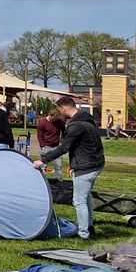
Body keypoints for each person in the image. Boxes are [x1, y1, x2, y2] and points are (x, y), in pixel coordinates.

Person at [34, 96, 106, 239]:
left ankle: (83, 234)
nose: (60, 114)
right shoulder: (87, 120)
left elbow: (64, 148)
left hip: (86, 167)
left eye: (60, 110)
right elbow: (85, 146)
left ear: (64, 108)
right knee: (85, 197)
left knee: (79, 201)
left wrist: (43, 160)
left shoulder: (75, 126)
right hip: (95, 164)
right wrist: (75, 165)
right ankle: (89, 226)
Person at [36, 107, 66, 176]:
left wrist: (62, 142)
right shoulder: (42, 123)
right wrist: (42, 146)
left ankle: (58, 179)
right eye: (54, 118)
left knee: (58, 166)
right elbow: (39, 136)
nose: (55, 120)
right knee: (43, 166)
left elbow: (64, 131)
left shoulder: (59, 122)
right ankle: (43, 180)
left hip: (57, 147)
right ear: (49, 114)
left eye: (56, 118)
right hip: (46, 147)